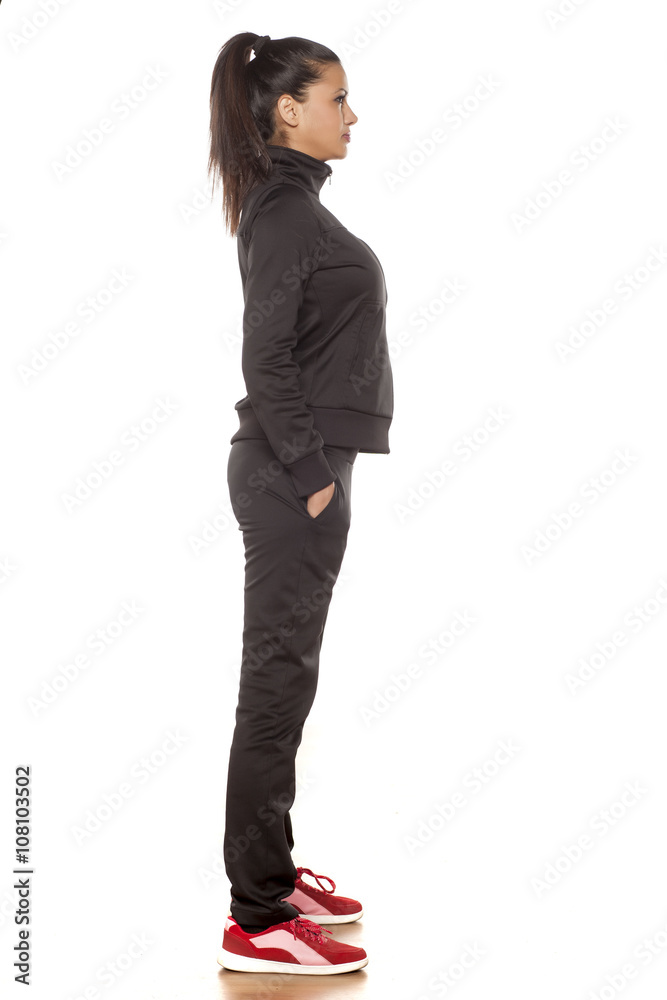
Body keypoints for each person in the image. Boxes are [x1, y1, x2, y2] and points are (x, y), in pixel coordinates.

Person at [208, 31, 394, 975]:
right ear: (288, 109)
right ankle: (256, 917)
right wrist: (315, 473)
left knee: (291, 684)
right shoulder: (283, 211)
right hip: (292, 477)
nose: (350, 114)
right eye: (337, 98)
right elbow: (265, 358)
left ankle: (273, 874)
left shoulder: (294, 205)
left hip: (302, 471)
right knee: (274, 690)